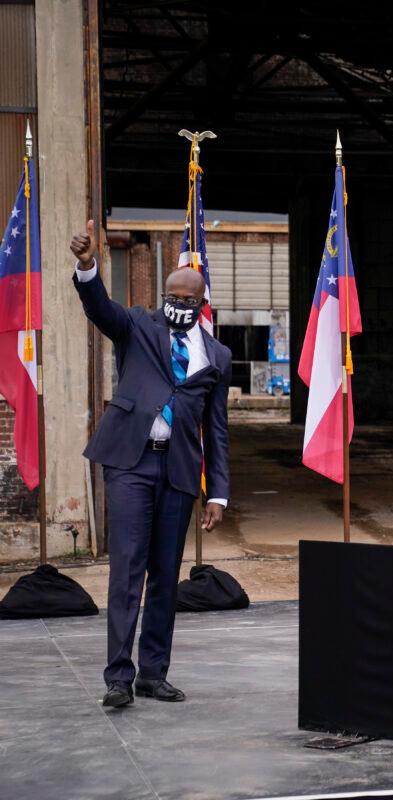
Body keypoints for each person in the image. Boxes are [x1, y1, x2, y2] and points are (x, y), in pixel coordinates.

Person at [70, 220, 232, 708]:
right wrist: (87, 266)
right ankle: (119, 677)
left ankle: (152, 674)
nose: (179, 304)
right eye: (173, 296)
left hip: (179, 471)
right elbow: (99, 308)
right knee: (128, 568)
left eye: (188, 299)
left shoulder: (218, 355)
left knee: (166, 572)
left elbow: (217, 428)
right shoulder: (137, 326)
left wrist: (219, 491)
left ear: (201, 303)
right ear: (165, 295)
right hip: (130, 463)